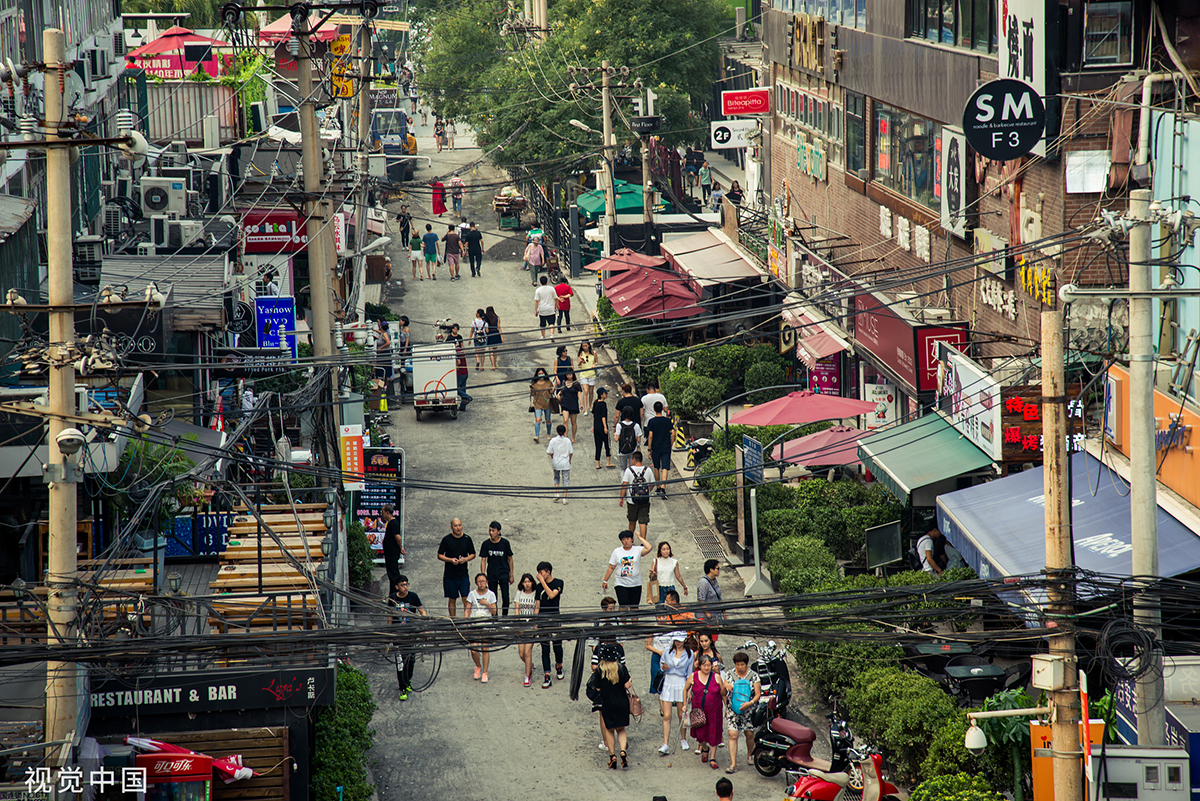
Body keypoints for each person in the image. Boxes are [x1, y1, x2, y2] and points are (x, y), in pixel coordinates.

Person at [651, 629, 693, 755]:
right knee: (667, 715)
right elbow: (661, 666)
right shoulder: (667, 651)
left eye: (680, 641)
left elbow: (690, 674)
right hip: (668, 682)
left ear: (684, 640)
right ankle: (665, 744)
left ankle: (683, 738)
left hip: (681, 683)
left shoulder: (689, 654)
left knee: (682, 714)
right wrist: (663, 668)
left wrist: (689, 691)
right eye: (676, 640)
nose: (677, 643)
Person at [593, 642, 632, 770]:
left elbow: (597, 688)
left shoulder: (599, 670)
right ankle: (622, 751)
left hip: (607, 703)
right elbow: (627, 685)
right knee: (621, 729)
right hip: (622, 702)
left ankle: (612, 756)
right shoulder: (621, 668)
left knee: (609, 730)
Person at [721, 651, 762, 774]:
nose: (740, 667)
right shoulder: (729, 675)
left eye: (742, 664)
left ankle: (750, 754)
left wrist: (750, 703)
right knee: (733, 735)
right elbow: (723, 693)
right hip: (733, 710)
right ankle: (733, 764)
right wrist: (725, 687)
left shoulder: (753, 676)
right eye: (738, 664)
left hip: (749, 710)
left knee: (749, 734)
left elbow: (758, 694)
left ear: (746, 664)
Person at [389, 574, 426, 700]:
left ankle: (408, 680)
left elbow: (422, 611)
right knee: (400, 663)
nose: (405, 587)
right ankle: (402, 688)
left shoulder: (413, 596)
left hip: (412, 635)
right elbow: (390, 616)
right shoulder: (393, 598)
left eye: (406, 584)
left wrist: (423, 623)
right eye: (402, 585)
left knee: (410, 660)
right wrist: (388, 633)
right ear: (397, 587)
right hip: (398, 636)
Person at [602, 529, 653, 612]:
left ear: (632, 539)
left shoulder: (638, 550)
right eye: (624, 539)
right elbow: (611, 567)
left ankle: (634, 624)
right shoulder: (617, 551)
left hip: (635, 583)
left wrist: (640, 538)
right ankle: (623, 623)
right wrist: (605, 580)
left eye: (628, 539)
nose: (626, 541)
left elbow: (649, 547)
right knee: (623, 606)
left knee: (634, 608)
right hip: (621, 583)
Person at [437, 518, 476, 618]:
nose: (458, 528)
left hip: (463, 575)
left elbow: (473, 554)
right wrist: (450, 560)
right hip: (450, 575)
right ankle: (453, 621)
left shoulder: (467, 539)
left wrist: (465, 559)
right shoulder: (446, 539)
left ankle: (466, 620)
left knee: (466, 598)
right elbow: (439, 555)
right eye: (455, 526)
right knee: (452, 599)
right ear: (451, 527)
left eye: (459, 525)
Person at [535, 560, 564, 688]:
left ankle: (559, 665)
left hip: (555, 619)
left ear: (548, 572)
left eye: (541, 573)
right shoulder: (538, 586)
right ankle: (547, 674)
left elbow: (552, 595)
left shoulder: (559, 583)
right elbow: (537, 604)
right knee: (544, 648)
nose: (539, 575)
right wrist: (535, 620)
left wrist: (542, 582)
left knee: (557, 645)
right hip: (542, 620)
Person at [465, 573, 497, 682]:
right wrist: (466, 622)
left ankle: (485, 672)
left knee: (485, 648)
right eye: (479, 581)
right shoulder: (471, 594)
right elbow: (467, 609)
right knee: (474, 648)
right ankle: (478, 666)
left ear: (487, 582)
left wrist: (487, 603)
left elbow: (494, 611)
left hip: (486, 624)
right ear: (476, 583)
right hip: (474, 624)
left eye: (483, 581)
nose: (481, 583)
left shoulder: (491, 594)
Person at [480, 521, 514, 616]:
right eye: (490, 530)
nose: (491, 532)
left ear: (498, 531)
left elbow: (510, 559)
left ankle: (505, 617)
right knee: (493, 597)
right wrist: (483, 576)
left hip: (503, 572)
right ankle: (494, 617)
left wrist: (511, 574)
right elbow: (483, 560)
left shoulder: (505, 543)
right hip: (492, 573)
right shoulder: (486, 544)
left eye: (493, 530)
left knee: (506, 597)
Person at [619, 450, 653, 539]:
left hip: (632, 500)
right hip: (645, 500)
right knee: (643, 522)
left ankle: (630, 540)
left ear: (633, 460)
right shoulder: (648, 470)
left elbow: (624, 485)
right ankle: (643, 542)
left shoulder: (628, 470)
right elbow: (652, 483)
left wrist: (621, 498)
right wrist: (647, 492)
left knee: (632, 521)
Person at [514, 573, 539, 685]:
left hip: (531, 624)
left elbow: (536, 609)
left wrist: (535, 625)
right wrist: (516, 624)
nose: (527, 584)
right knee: (521, 653)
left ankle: (527, 676)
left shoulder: (535, 594)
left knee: (527, 652)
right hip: (521, 625)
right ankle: (530, 665)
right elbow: (517, 610)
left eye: (529, 581)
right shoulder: (519, 593)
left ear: (532, 582)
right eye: (525, 581)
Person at [645, 401, 674, 497]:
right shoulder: (667, 421)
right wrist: (671, 444)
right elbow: (673, 433)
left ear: (654, 409)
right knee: (665, 467)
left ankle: (657, 487)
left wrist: (649, 449)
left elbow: (650, 436)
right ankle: (663, 488)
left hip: (655, 447)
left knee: (656, 467)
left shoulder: (652, 422)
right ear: (662, 409)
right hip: (666, 447)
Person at [546, 423, 573, 504]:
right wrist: (569, 460)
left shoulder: (553, 440)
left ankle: (557, 493)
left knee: (556, 478)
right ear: (564, 432)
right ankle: (564, 498)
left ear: (557, 431)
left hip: (556, 462)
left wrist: (552, 454)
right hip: (565, 463)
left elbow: (548, 451)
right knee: (566, 480)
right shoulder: (567, 440)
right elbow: (571, 452)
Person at [381, 503, 405, 591]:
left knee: (393, 575)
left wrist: (400, 547)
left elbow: (398, 537)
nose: (382, 514)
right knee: (391, 575)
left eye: (383, 511)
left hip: (392, 553)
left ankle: (396, 593)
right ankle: (392, 596)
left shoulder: (393, 523)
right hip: (389, 553)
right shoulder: (390, 523)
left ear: (387, 512)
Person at [448, 325, 472, 410]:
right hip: (465, 373)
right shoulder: (461, 351)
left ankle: (468, 397)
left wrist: (454, 366)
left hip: (459, 373)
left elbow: (458, 362)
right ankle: (462, 407)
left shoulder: (456, 352)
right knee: (463, 389)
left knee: (455, 389)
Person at [614, 407, 643, 475]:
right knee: (632, 468)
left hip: (622, 450)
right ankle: (631, 483)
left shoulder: (619, 425)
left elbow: (616, 439)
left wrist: (615, 435)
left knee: (623, 468)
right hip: (633, 450)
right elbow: (638, 440)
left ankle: (623, 483)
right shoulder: (636, 425)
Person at [529, 367, 554, 443]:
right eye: (539, 374)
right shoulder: (534, 384)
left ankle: (548, 434)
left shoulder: (548, 382)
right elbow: (532, 394)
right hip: (537, 403)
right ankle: (537, 436)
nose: (541, 375)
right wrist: (532, 389)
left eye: (542, 373)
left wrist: (554, 387)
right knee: (538, 419)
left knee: (548, 420)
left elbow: (551, 392)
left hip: (547, 403)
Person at [592, 387, 614, 469]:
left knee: (598, 445)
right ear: (601, 395)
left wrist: (593, 426)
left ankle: (598, 463)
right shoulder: (603, 404)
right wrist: (605, 427)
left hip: (596, 427)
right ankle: (608, 462)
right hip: (602, 427)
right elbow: (603, 417)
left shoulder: (596, 403)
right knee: (607, 444)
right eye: (605, 393)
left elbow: (594, 417)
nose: (606, 395)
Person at [557, 371, 581, 442]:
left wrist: (581, 404)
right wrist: (559, 394)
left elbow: (579, 394)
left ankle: (573, 437)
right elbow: (562, 390)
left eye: (570, 374)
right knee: (565, 420)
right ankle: (565, 436)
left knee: (573, 422)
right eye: (567, 374)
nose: (569, 376)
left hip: (573, 404)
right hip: (565, 404)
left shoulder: (576, 384)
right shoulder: (564, 383)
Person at [577, 341, 597, 411]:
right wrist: (581, 361)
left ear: (589, 345)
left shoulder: (593, 353)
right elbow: (578, 365)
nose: (584, 347)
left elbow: (596, 361)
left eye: (585, 346)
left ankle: (589, 405)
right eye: (583, 346)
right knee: (585, 391)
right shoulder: (580, 353)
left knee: (591, 391)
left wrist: (594, 364)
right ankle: (585, 408)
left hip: (592, 374)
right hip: (583, 374)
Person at [374, 318, 393, 388]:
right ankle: (382, 386)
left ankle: (385, 387)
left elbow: (388, 342)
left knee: (385, 371)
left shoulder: (385, 334)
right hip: (381, 356)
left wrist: (380, 348)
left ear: (381, 326)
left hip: (384, 355)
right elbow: (380, 334)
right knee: (382, 371)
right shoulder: (382, 333)